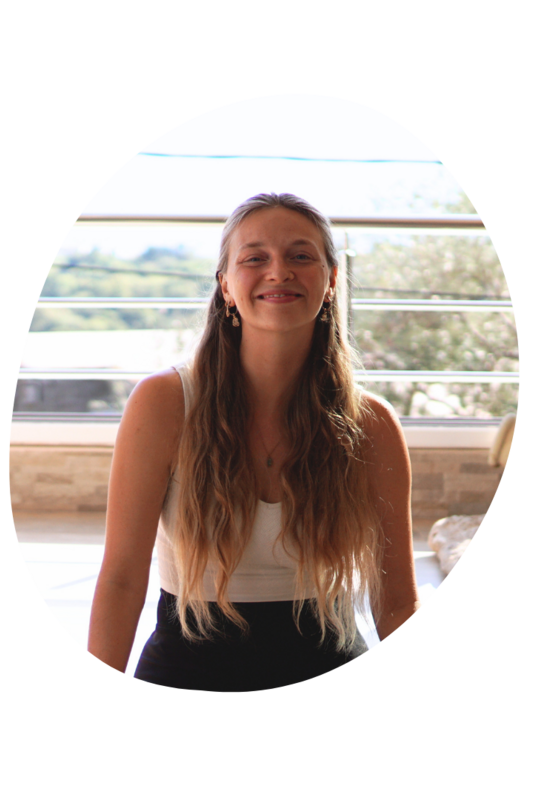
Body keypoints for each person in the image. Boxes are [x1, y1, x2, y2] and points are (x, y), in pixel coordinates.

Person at [87, 193, 419, 692]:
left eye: (300, 255)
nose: (278, 271)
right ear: (226, 284)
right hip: (187, 662)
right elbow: (121, 579)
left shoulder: (371, 423)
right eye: (255, 258)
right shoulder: (164, 402)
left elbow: (396, 601)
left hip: (328, 654)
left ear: (331, 280)